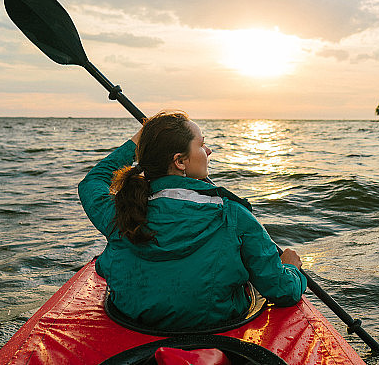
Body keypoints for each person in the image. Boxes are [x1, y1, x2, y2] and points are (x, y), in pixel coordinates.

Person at [78, 110, 306, 331]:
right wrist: (290, 267)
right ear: (179, 161)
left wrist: (136, 143)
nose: (208, 150)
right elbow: (282, 290)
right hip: (217, 326)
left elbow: (93, 181)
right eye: (201, 144)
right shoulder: (233, 214)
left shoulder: (122, 211)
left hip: (133, 322)